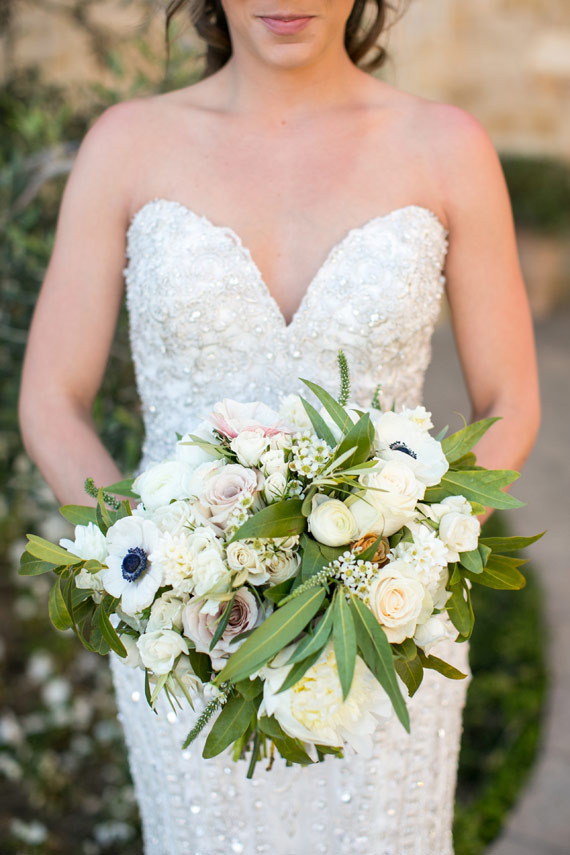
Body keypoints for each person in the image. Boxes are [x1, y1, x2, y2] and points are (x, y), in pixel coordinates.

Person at [18, 1, 540, 852]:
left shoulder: (448, 146)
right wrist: (147, 569)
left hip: (385, 635)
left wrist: (404, 560)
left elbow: (512, 400)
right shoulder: (128, 144)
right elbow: (51, 399)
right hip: (187, 649)